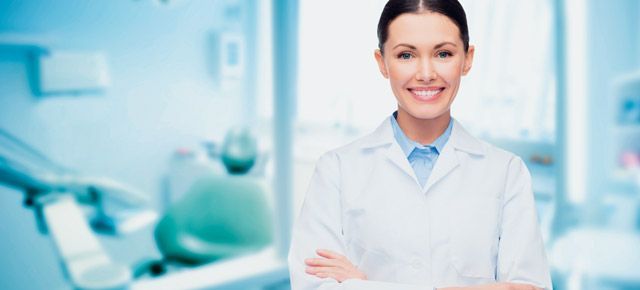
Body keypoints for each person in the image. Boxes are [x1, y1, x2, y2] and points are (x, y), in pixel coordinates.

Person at [288, 0, 552, 289]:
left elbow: (530, 287)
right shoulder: (336, 170)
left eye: (443, 53)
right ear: (382, 62)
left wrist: (361, 284)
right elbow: (312, 285)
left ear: (467, 58)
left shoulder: (506, 173)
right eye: (405, 55)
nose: (426, 74)